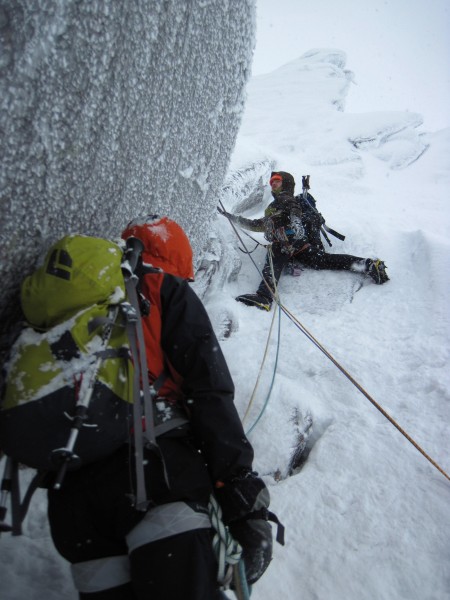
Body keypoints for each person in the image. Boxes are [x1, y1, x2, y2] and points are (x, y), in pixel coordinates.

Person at [46, 216, 276, 600]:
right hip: (151, 479)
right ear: (178, 262)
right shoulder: (162, 288)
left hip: (72, 502)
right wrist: (241, 492)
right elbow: (209, 392)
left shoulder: (77, 296)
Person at [218, 171, 389, 311]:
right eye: (271, 182)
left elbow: (293, 210)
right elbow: (256, 225)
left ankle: (264, 297)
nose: (273, 184)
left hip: (285, 245)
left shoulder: (284, 199)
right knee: (324, 261)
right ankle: (368, 265)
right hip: (299, 245)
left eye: (276, 181)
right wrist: (230, 217)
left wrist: (296, 223)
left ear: (285, 183)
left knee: (272, 263)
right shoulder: (276, 205)